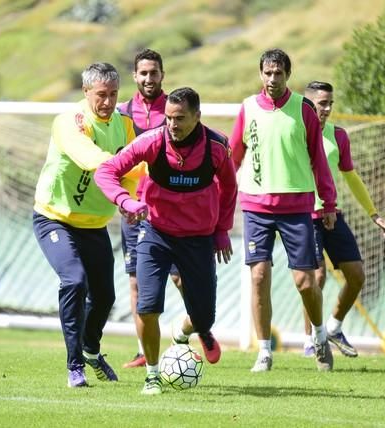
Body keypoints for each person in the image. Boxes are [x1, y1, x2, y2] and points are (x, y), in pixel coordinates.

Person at [94, 87, 237, 395]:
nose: (172, 125)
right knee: (147, 305)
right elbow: (106, 171)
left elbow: (229, 187)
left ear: (197, 116)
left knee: (204, 316)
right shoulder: (152, 141)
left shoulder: (217, 148)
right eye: (169, 118)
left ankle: (186, 331)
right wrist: (126, 202)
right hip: (155, 233)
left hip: (198, 238)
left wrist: (222, 229)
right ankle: (152, 375)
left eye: (180, 119)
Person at [228, 49, 338, 372]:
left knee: (306, 281)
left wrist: (328, 202)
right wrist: (220, 198)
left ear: (288, 75)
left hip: (296, 208)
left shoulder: (304, 110)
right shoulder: (248, 108)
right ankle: (263, 351)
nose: (272, 79)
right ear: (260, 74)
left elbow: (319, 160)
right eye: (267, 73)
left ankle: (318, 336)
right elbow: (233, 157)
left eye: (278, 73)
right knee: (259, 276)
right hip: (256, 207)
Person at [33, 62, 141, 388]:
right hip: (55, 219)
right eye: (101, 95)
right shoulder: (69, 122)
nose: (107, 102)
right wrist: (123, 195)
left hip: (94, 225)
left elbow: (137, 168)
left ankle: (91, 349)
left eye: (113, 94)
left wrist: (133, 200)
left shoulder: (125, 124)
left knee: (106, 298)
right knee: (75, 282)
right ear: (86, 92)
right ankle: (74, 366)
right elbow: (89, 158)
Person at [299, 81, 385, 358]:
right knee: (316, 277)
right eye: (321, 103)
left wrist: (373, 213)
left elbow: (350, 176)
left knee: (357, 275)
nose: (326, 109)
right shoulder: (296, 134)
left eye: (330, 103)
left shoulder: (338, 136)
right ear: (308, 104)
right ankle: (310, 340)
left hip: (332, 214)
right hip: (303, 215)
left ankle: (334, 327)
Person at [116, 48, 184, 369]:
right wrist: (121, 197)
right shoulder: (122, 113)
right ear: (135, 76)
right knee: (135, 282)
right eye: (143, 73)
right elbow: (113, 161)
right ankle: (145, 350)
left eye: (153, 72)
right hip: (134, 211)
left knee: (181, 279)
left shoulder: (175, 111)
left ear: (162, 75)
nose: (148, 78)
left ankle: (190, 332)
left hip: (170, 210)